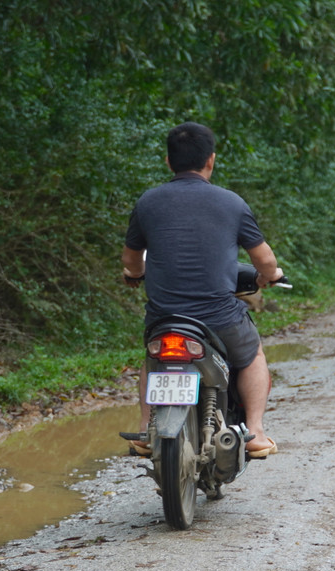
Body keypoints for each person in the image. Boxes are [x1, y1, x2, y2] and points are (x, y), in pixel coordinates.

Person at [121, 122, 282, 458]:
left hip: (164, 319)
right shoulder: (231, 203)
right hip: (218, 318)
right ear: (211, 160)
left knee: (152, 361)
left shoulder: (147, 202)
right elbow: (264, 260)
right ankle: (254, 433)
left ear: (168, 161)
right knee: (252, 356)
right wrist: (270, 275)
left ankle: (147, 428)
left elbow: (131, 258)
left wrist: (135, 274)